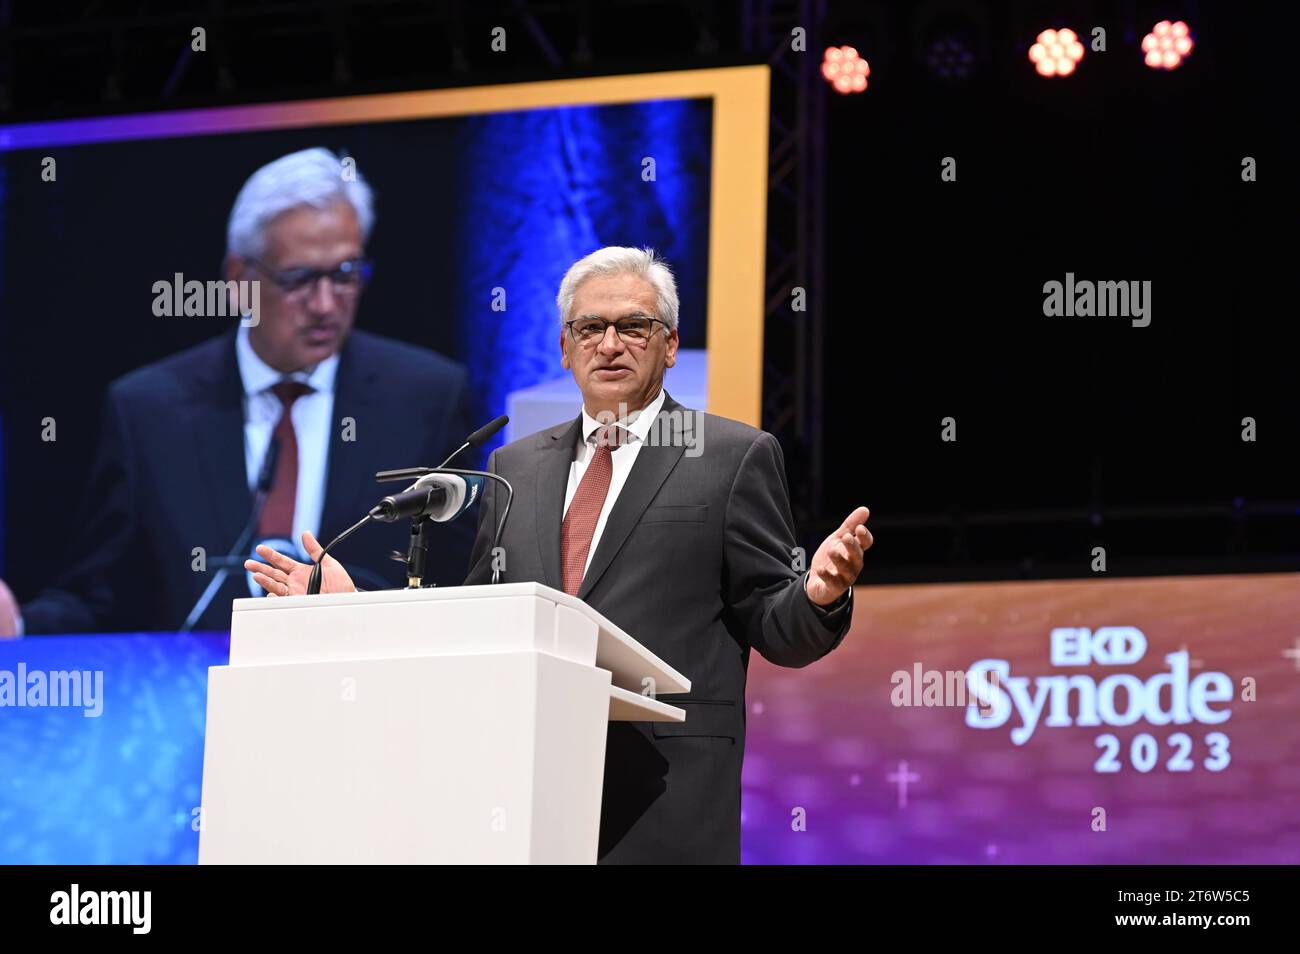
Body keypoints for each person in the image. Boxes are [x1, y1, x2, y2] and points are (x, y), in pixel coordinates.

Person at [244, 246, 872, 863]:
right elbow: (480, 626)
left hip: (666, 800)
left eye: (634, 326)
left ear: (670, 346)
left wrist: (819, 593)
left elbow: (778, 625)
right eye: (590, 328)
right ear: (566, 348)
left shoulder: (731, 456)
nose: (610, 343)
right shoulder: (513, 466)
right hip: (524, 796)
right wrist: (355, 610)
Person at [0, 148, 475, 637]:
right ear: (238, 277)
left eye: (345, 274)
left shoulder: (425, 397)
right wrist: (18, 623)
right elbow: (99, 596)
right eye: (300, 279)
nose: (326, 304)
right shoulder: (149, 410)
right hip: (192, 697)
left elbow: (469, 584)